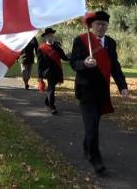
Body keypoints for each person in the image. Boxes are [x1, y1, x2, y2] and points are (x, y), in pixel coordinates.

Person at [70, 11, 129, 174]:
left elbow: (114, 66)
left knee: (93, 124)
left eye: (104, 24)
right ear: (91, 25)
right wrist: (84, 63)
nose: (102, 27)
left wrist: (122, 85)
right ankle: (96, 159)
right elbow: (73, 62)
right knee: (92, 127)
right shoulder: (81, 40)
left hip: (102, 91)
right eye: (98, 24)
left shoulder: (110, 42)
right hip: (86, 90)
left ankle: (86, 146)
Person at [37, 28, 69, 114]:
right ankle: (52, 107)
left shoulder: (57, 46)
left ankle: (47, 102)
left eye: (51, 35)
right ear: (45, 37)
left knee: (51, 88)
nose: (50, 37)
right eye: (48, 36)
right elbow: (40, 64)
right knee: (51, 88)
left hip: (57, 70)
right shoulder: (41, 48)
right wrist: (40, 77)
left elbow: (64, 57)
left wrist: (73, 57)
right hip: (48, 72)